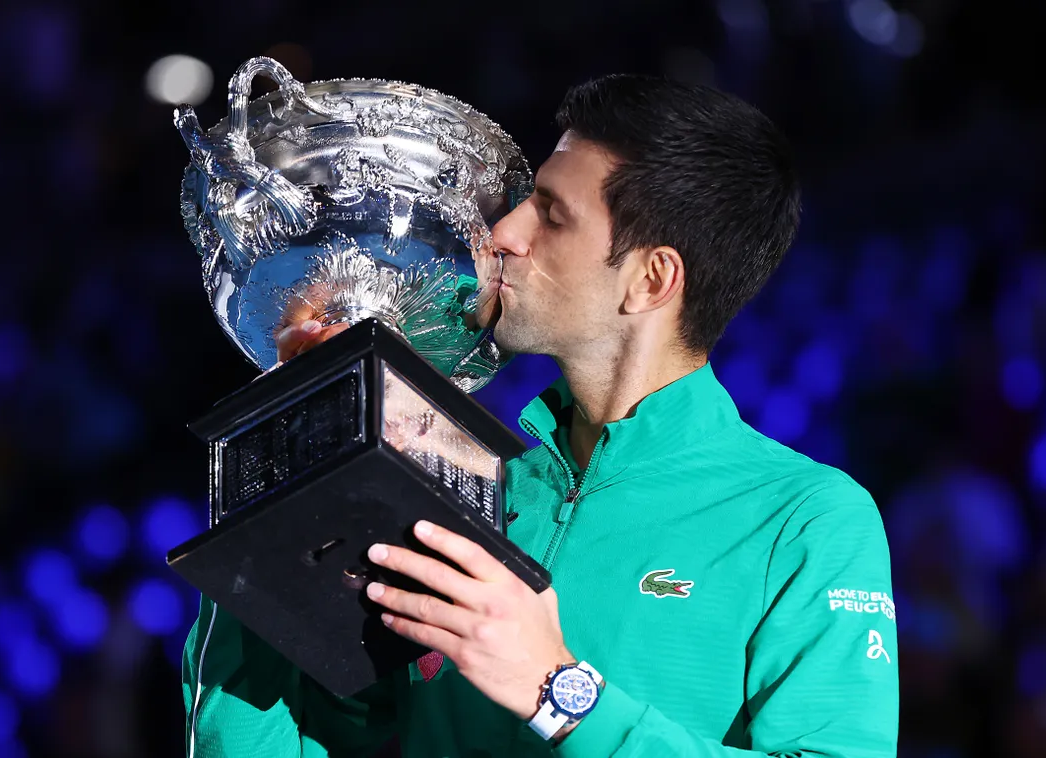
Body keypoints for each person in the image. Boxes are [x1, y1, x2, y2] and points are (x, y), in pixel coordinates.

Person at [182, 73, 899, 758]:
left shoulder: (803, 518)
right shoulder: (468, 486)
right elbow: (261, 740)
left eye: (552, 215)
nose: (502, 234)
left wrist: (557, 691)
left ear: (651, 279)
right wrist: (297, 450)